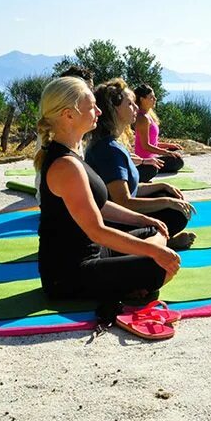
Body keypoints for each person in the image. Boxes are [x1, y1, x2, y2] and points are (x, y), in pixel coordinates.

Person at [34, 76, 180, 301]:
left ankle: (131, 283)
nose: (99, 112)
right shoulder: (65, 165)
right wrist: (153, 251)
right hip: (69, 275)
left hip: (95, 252)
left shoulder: (73, 153)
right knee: (161, 264)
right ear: (69, 115)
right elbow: (97, 231)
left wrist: (144, 220)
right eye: (92, 107)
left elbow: (100, 206)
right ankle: (132, 283)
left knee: (155, 232)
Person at [86, 78, 197, 249]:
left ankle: (159, 238)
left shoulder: (111, 144)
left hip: (118, 212)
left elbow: (132, 188)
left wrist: (163, 186)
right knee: (176, 214)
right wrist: (167, 202)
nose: (136, 108)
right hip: (114, 223)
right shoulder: (108, 150)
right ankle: (158, 242)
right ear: (113, 109)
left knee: (171, 197)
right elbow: (124, 202)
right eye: (129, 104)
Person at [133, 84, 185, 174]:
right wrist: (167, 153)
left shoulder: (148, 115)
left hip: (155, 155)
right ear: (142, 99)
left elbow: (154, 143)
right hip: (147, 159)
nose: (155, 99)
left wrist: (170, 146)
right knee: (178, 161)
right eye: (151, 97)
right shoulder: (142, 118)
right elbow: (145, 145)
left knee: (176, 152)